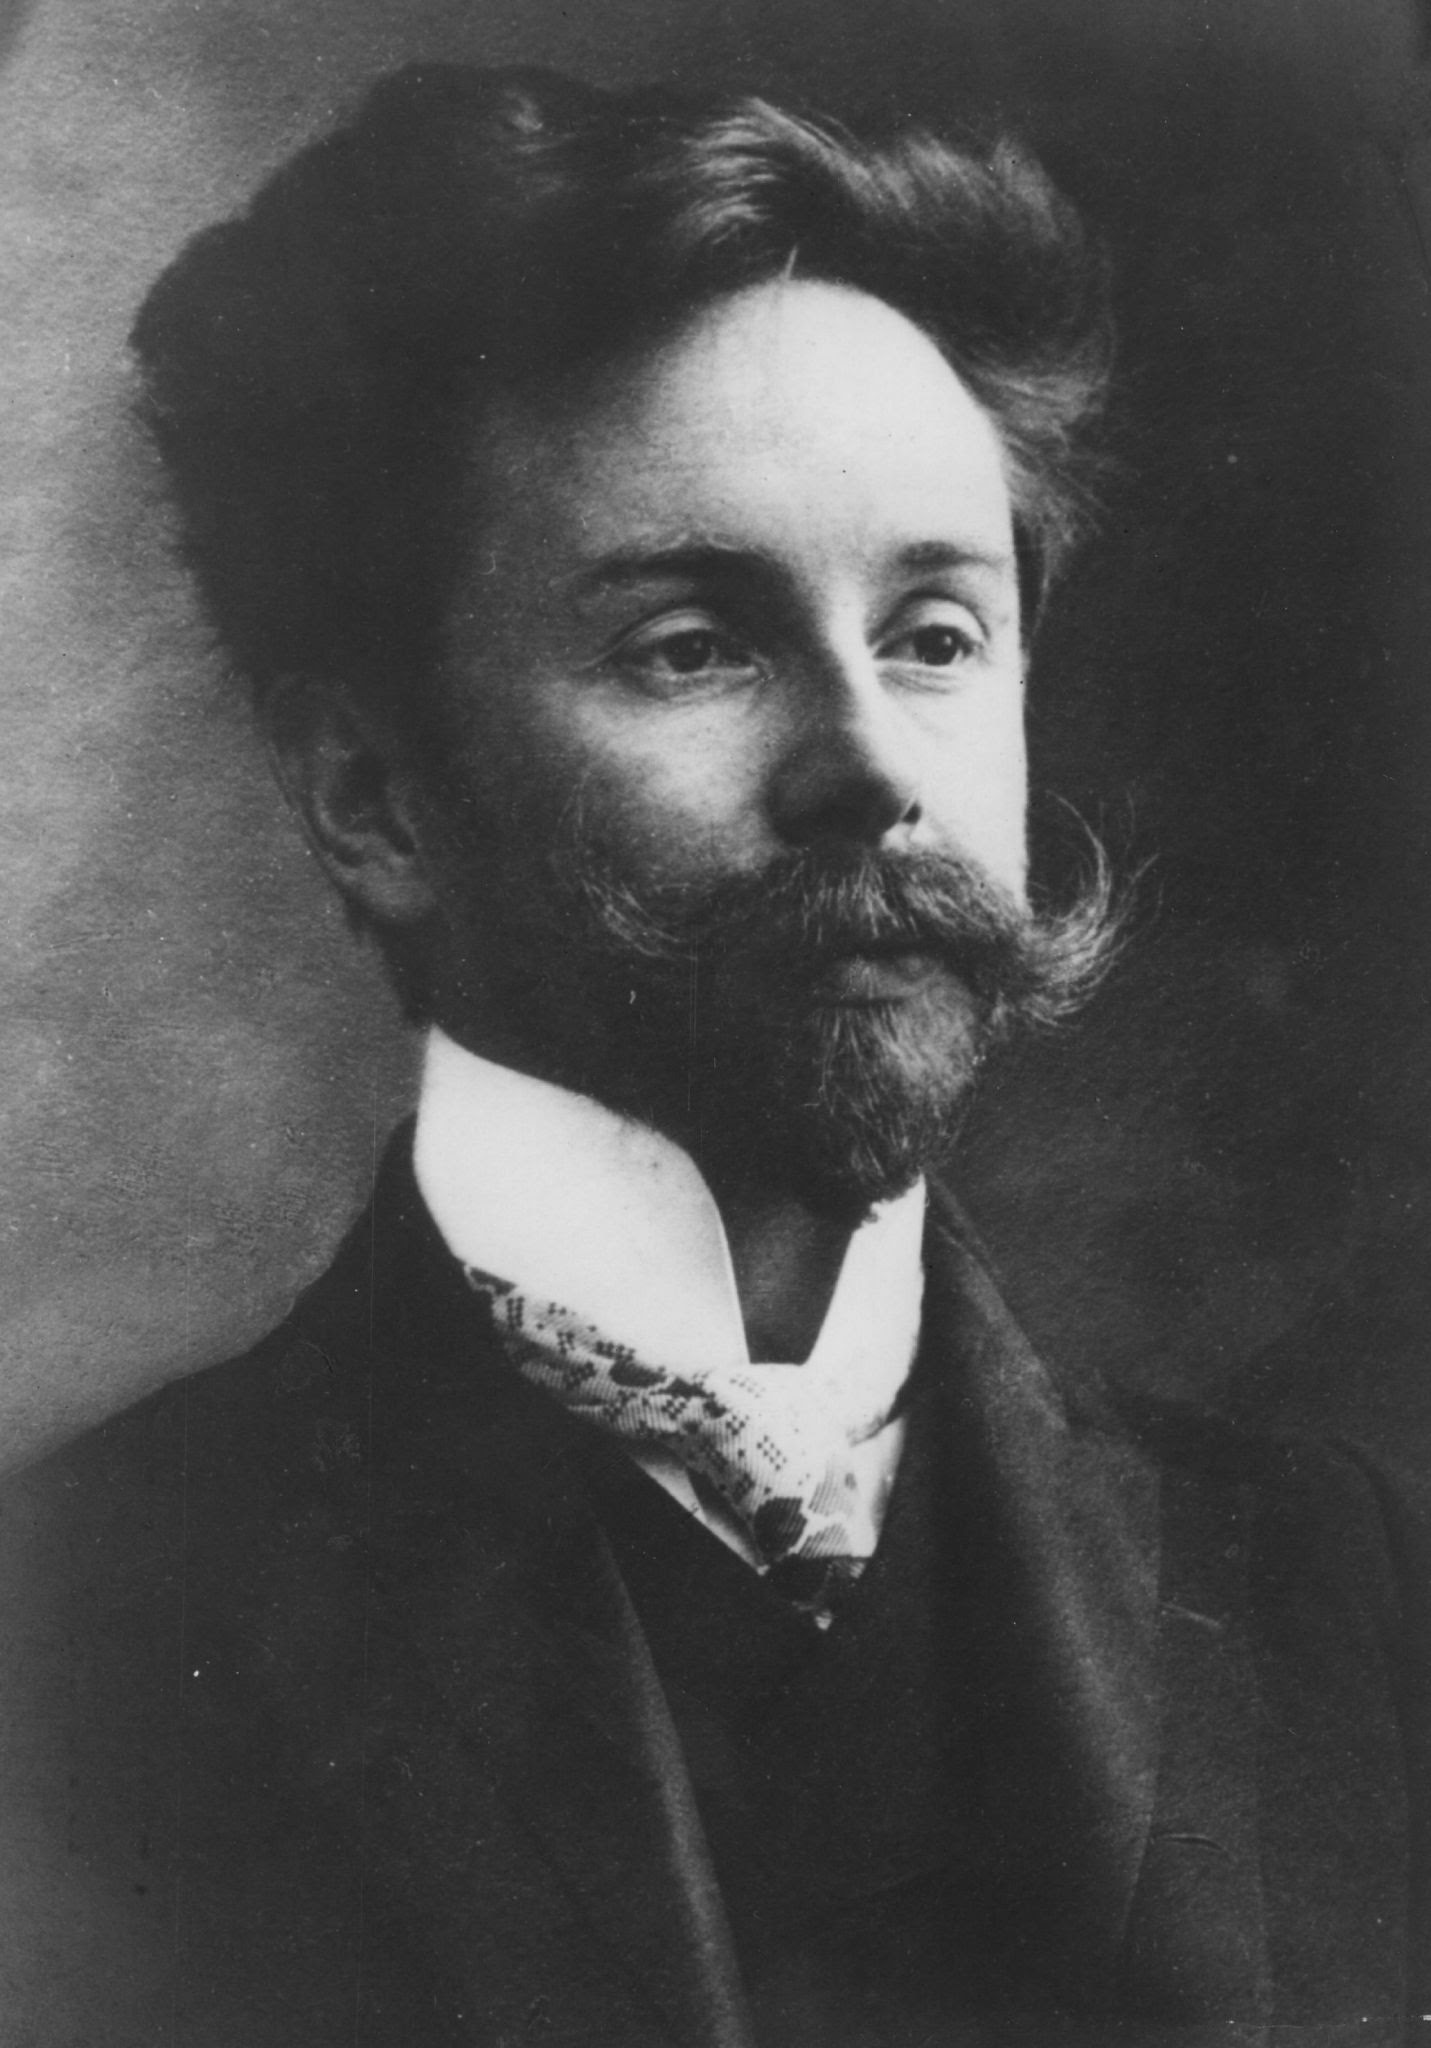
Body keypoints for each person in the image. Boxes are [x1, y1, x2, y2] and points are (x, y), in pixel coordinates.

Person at [0, 63, 1425, 2048]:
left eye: (935, 633)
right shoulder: (79, 1623)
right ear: (370, 796)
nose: (870, 767)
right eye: (694, 646)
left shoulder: (1346, 1589)